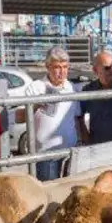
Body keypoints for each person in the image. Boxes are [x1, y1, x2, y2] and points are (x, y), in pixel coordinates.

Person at [15, 47, 81, 181]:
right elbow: (18, 117)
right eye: (57, 67)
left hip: (70, 154)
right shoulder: (36, 87)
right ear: (47, 67)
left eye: (65, 67)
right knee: (50, 195)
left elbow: (76, 118)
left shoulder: (72, 88)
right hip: (45, 156)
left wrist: (82, 141)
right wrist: (35, 105)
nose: (62, 72)